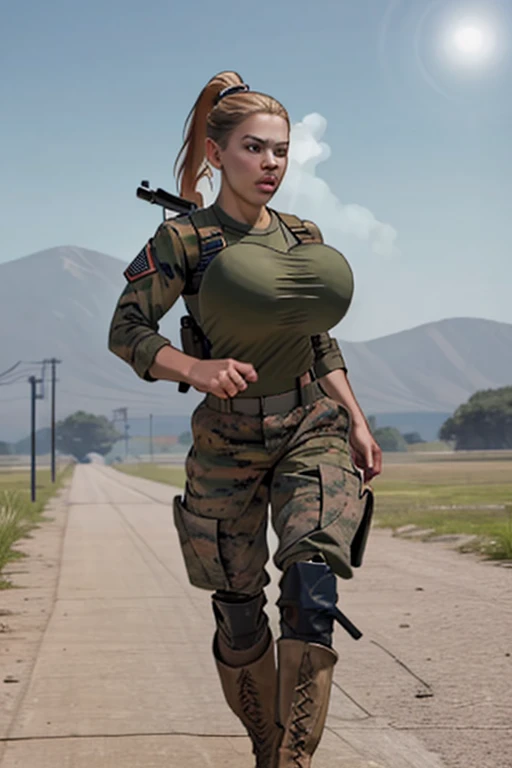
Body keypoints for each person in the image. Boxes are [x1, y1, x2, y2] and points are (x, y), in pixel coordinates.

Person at [108, 70, 382, 768]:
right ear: (216, 150)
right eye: (255, 148)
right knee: (237, 609)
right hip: (227, 437)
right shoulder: (184, 240)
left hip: (308, 422)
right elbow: (128, 330)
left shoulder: (302, 234)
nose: (270, 165)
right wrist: (194, 368)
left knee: (311, 578)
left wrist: (354, 417)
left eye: (281, 151)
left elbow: (319, 337)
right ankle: (265, 741)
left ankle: (294, 757)